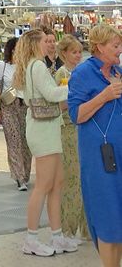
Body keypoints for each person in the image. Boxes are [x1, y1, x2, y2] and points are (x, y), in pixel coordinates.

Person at [13, 28, 76, 257]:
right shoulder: (37, 66)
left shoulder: (33, 65)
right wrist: (74, 86)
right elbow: (52, 94)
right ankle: (31, 238)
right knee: (43, 186)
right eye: (45, 41)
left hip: (48, 127)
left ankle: (57, 236)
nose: (49, 44)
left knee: (56, 183)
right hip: (43, 130)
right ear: (35, 44)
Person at [68, 24, 122, 267]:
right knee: (107, 212)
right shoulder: (82, 73)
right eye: (115, 46)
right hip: (100, 158)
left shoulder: (117, 71)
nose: (119, 50)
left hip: (119, 153)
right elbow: (76, 115)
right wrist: (105, 95)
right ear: (99, 47)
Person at [54, 35, 89, 241]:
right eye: (73, 52)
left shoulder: (82, 72)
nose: (77, 56)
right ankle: (68, 228)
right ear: (64, 53)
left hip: (83, 127)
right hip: (68, 128)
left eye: (79, 52)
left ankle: (86, 227)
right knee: (71, 180)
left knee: (84, 179)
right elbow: (60, 103)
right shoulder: (62, 74)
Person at [0, 37, 31, 191]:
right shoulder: (2, 66)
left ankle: (26, 174)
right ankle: (19, 177)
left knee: (26, 142)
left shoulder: (27, 65)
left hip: (25, 106)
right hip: (8, 106)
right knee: (13, 141)